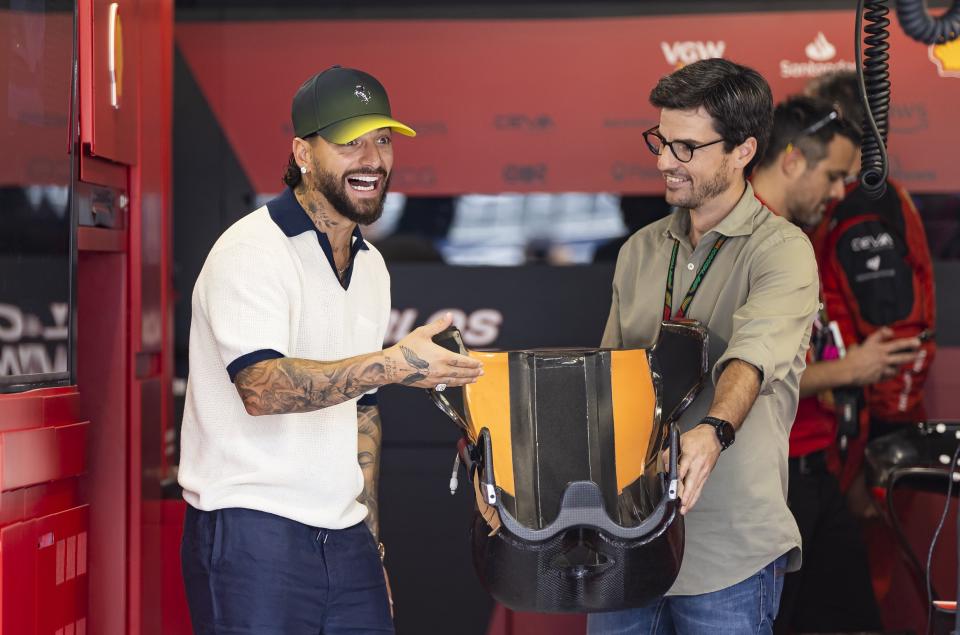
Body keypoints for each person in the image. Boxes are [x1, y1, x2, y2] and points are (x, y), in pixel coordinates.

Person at [177, 65, 483, 635]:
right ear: (303, 152)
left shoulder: (372, 265)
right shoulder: (251, 250)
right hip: (251, 532)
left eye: (383, 141)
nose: (372, 158)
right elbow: (261, 388)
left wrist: (371, 545)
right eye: (349, 142)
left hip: (345, 542)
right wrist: (394, 363)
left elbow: (362, 412)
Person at [587, 58, 819, 634]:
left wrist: (713, 430)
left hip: (728, 558)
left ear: (742, 150)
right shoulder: (640, 250)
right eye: (661, 142)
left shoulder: (782, 251)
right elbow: (608, 383)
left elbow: (752, 358)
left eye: (686, 148)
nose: (665, 161)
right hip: (626, 547)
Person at [752, 95, 921, 633]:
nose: (837, 193)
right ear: (794, 159)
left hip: (815, 470)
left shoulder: (795, 235)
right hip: (771, 482)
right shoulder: (752, 242)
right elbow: (740, 378)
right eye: (832, 176)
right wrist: (850, 370)